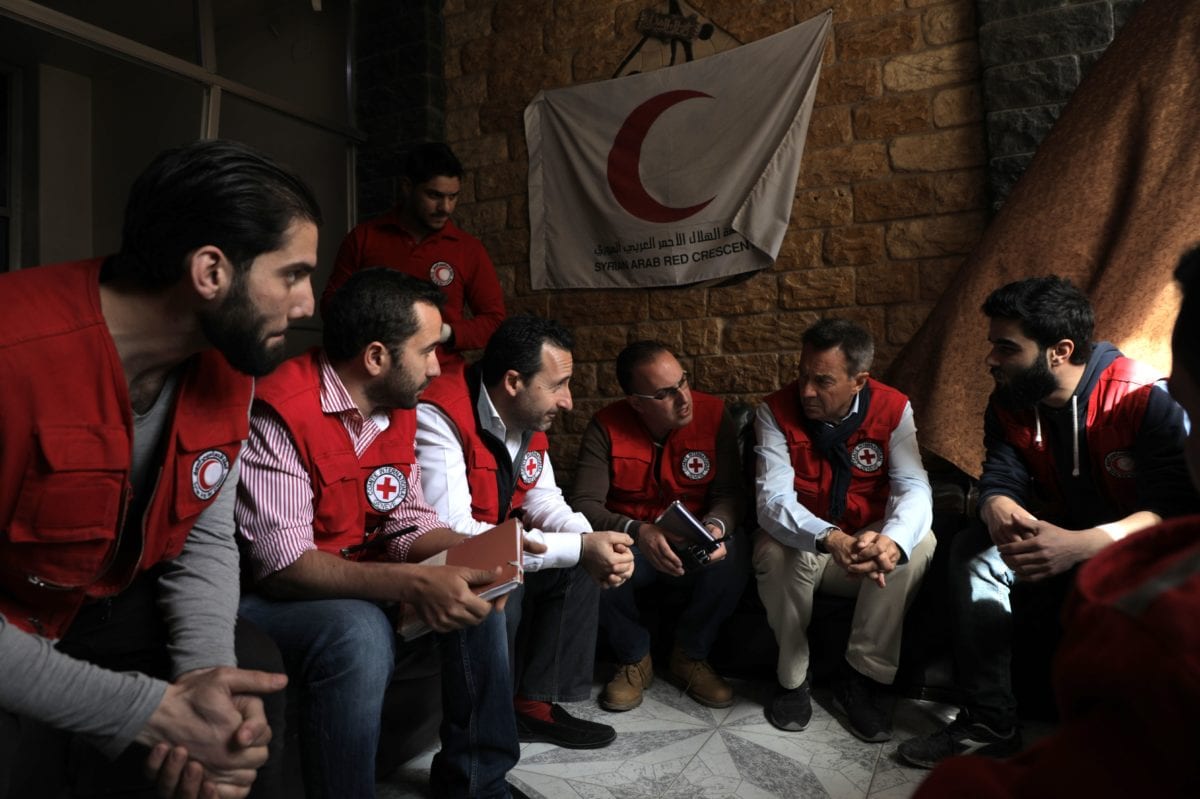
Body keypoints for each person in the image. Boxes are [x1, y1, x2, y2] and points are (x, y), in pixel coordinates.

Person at [0, 139, 321, 799]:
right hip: (15, 615)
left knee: (247, 685)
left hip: (106, 601)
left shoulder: (230, 364)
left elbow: (203, 534)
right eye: (292, 274)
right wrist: (144, 709)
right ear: (211, 271)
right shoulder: (11, 352)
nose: (308, 305)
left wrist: (208, 682)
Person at [910, 256, 1200, 798]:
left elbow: (1176, 508)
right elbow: (1000, 471)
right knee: (973, 550)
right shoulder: (1010, 403)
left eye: (1006, 347)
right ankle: (989, 721)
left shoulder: (1142, 397)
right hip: (1053, 530)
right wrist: (994, 504)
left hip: (1130, 543)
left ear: (1059, 351)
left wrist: (1085, 545)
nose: (990, 359)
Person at [236, 269, 522, 799]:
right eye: (427, 351)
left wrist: (474, 553)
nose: (439, 368)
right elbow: (285, 566)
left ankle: (479, 784)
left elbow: (404, 519)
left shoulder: (397, 409)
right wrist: (413, 585)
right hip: (269, 597)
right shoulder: (280, 411)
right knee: (359, 631)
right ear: (375, 358)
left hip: (358, 574)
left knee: (478, 587)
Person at [416, 316, 635, 749]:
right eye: (558, 385)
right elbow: (456, 534)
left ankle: (534, 707)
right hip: (449, 558)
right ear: (513, 381)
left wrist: (590, 542)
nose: (569, 401)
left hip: (498, 542)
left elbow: (544, 499)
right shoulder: (439, 413)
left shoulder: (528, 415)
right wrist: (578, 547)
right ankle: (488, 733)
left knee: (580, 559)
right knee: (546, 566)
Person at [753, 318, 935, 743]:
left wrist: (890, 540)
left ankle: (860, 680)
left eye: (822, 381)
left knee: (918, 542)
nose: (807, 391)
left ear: (859, 381)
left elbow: (913, 486)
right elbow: (772, 501)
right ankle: (793, 680)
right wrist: (831, 538)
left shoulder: (894, 408)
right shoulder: (774, 411)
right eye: (802, 376)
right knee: (774, 551)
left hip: (862, 545)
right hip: (813, 544)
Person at [571, 341, 747, 712]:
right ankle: (635, 658)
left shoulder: (714, 414)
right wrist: (638, 530)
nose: (684, 398)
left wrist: (715, 527)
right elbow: (584, 504)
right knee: (593, 558)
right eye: (665, 394)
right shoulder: (606, 425)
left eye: (683, 382)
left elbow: (730, 494)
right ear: (636, 402)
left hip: (696, 539)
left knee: (735, 552)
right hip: (636, 546)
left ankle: (691, 656)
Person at [322, 141, 506, 372]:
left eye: (453, 197)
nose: (445, 207)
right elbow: (332, 303)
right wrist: (374, 324)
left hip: (441, 376)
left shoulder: (468, 249)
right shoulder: (364, 238)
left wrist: (443, 332)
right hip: (372, 371)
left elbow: (494, 320)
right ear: (407, 187)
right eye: (434, 195)